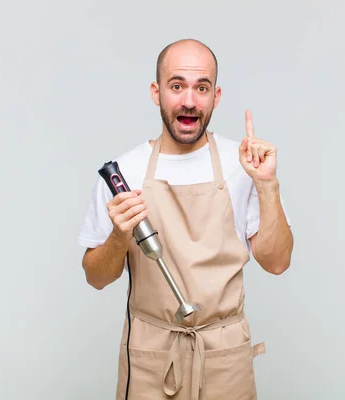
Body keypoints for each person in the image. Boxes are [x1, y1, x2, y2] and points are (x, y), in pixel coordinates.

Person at [77, 38, 294, 400]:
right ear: (156, 91)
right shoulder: (125, 173)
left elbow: (277, 262)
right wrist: (119, 235)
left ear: (216, 96)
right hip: (151, 358)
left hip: (224, 357)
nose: (189, 101)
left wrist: (267, 185)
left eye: (201, 88)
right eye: (176, 86)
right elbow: (96, 278)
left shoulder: (243, 166)